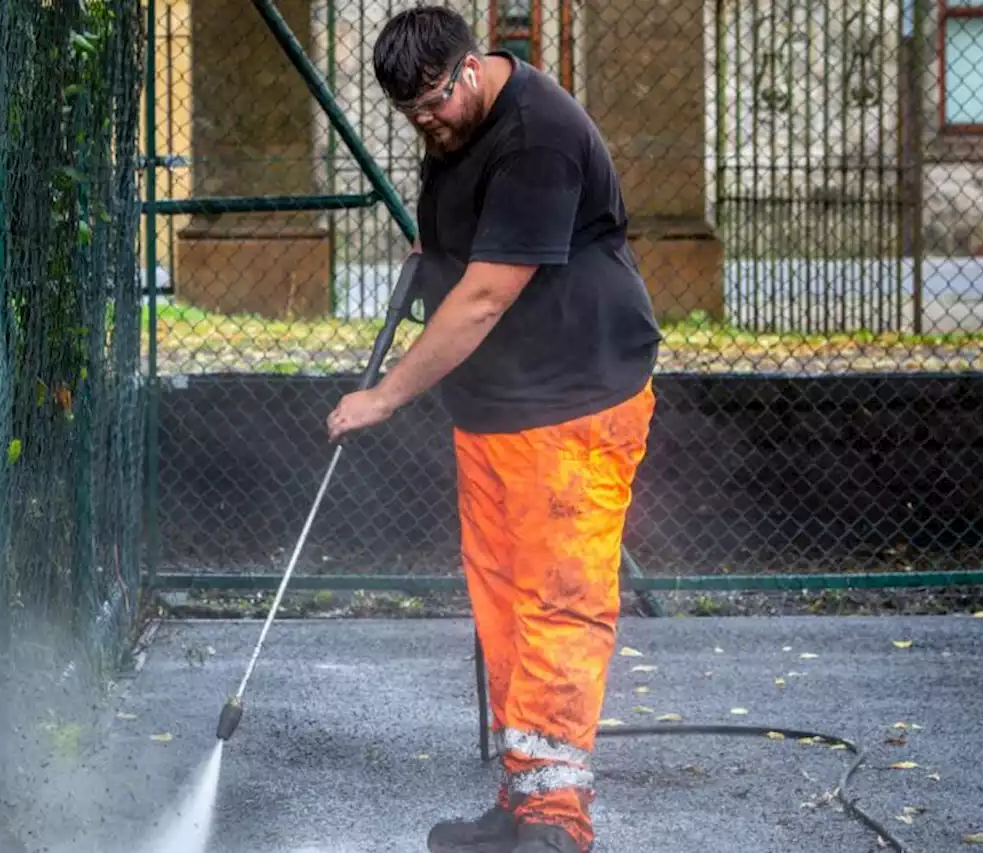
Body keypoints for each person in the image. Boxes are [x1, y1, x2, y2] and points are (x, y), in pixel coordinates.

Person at [325, 7, 662, 853]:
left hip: (576, 401)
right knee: (503, 603)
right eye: (410, 114)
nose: (426, 122)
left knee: (558, 604)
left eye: (435, 102)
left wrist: (384, 396)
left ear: (469, 69)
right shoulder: (455, 130)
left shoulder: (539, 135)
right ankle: (521, 801)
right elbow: (454, 244)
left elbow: (483, 297)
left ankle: (557, 821)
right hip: (499, 410)